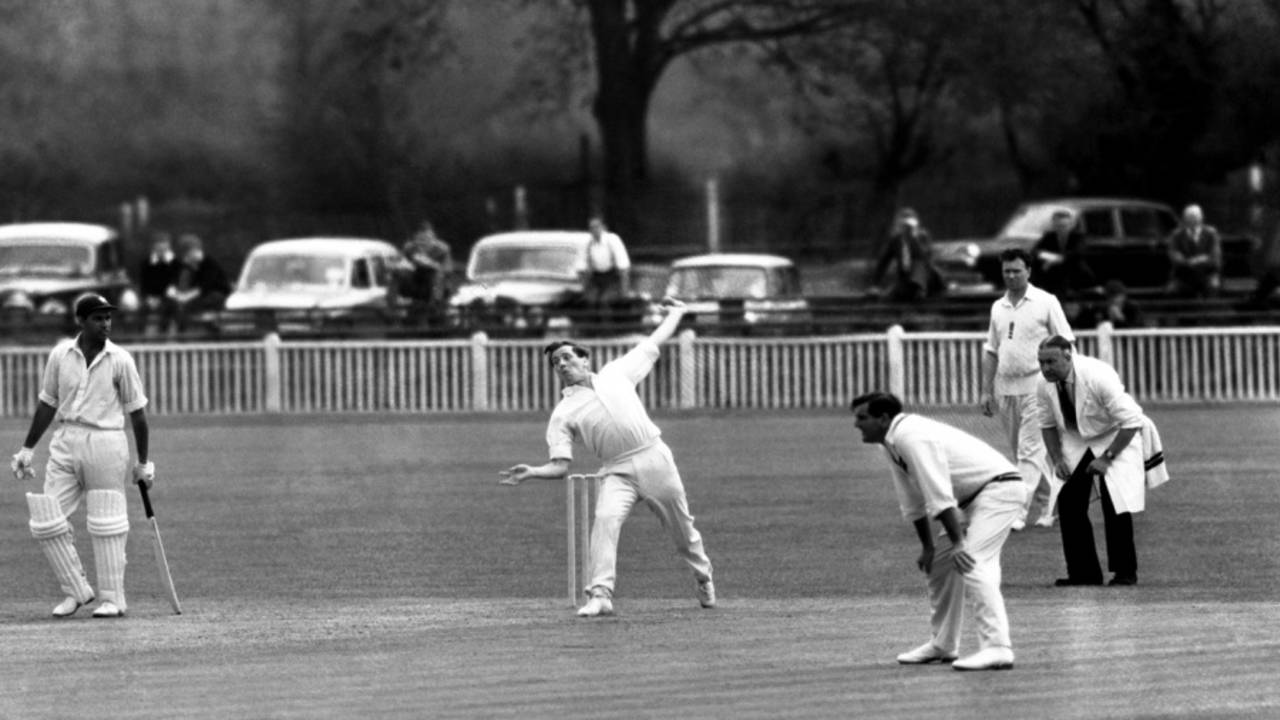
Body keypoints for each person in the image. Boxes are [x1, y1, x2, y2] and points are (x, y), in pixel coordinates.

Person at [499, 297, 715, 617]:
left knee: (683, 533)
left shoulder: (616, 373)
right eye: (556, 362)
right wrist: (532, 472)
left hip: (655, 458)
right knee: (605, 520)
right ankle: (600, 594)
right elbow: (561, 466)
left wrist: (678, 313)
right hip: (617, 471)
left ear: (585, 360)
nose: (561, 364)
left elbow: (653, 343)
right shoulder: (563, 413)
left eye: (567, 357)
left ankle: (703, 576)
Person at [851, 391, 1023, 671]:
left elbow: (938, 493)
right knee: (941, 564)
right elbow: (912, 500)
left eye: (862, 418)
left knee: (973, 561)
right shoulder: (890, 442)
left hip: (1000, 489)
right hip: (974, 498)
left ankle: (997, 648)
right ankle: (943, 645)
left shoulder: (910, 435)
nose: (857, 425)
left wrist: (959, 543)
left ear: (883, 418)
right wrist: (929, 546)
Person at [9, 293, 154, 618]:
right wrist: (27, 448)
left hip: (106, 440)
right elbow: (48, 402)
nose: (105, 323)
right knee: (46, 518)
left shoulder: (120, 360)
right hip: (65, 439)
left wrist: (143, 463)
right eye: (97, 318)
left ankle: (113, 599)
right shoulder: (61, 355)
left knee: (107, 519)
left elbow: (138, 414)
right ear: (81, 321)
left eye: (108, 317)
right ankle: (76, 591)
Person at [1036, 335, 1152, 587]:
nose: (1045, 368)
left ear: (1068, 355)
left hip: (1115, 434)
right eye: (1041, 362)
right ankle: (1084, 573)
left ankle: (1125, 572)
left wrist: (1107, 458)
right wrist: (1057, 459)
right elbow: (1046, 425)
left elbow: (1132, 421)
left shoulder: (1098, 375)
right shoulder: (1042, 383)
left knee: (1115, 501)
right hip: (1076, 439)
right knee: (1068, 501)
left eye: (1051, 362)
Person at [981, 248, 1074, 531]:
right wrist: (987, 391)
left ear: (1029, 271)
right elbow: (992, 351)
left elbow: (1066, 343)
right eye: (1006, 271)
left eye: (1016, 270)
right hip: (1007, 388)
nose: (1011, 276)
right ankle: (1052, 503)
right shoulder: (998, 307)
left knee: (1028, 452)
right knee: (1026, 454)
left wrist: (1067, 385)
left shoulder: (1046, 302)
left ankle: (1017, 512)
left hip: (1040, 386)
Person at [872, 207, 943, 301]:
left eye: (908, 227)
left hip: (925, 279)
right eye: (903, 226)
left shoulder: (922, 237)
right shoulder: (895, 241)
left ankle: (918, 290)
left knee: (919, 265)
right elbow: (883, 263)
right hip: (905, 280)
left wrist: (914, 240)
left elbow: (925, 258)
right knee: (891, 296)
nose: (906, 229)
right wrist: (875, 284)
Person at [169, 233, 231, 331]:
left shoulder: (209, 263)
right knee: (177, 306)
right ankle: (179, 333)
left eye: (195, 250)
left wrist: (186, 297)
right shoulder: (183, 265)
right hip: (195, 297)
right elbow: (175, 282)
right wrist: (175, 293)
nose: (187, 257)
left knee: (191, 305)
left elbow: (205, 286)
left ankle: (211, 326)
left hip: (215, 295)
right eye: (187, 254)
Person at [577, 216, 631, 326]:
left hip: (612, 277)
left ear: (603, 227)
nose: (594, 230)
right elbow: (581, 266)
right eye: (591, 227)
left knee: (605, 301)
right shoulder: (588, 243)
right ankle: (591, 331)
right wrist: (584, 287)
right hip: (596, 277)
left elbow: (623, 265)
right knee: (590, 301)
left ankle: (607, 331)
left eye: (597, 227)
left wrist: (625, 289)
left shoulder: (612, 240)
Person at [1033, 209, 1097, 298]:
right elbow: (1037, 252)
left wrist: (1056, 260)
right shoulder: (1048, 237)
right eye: (1058, 226)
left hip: (1075, 272)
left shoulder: (1079, 237)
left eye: (1064, 226)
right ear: (1054, 225)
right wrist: (1051, 258)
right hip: (1054, 274)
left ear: (1071, 225)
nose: (1061, 228)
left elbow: (1077, 253)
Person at [1167, 204, 1222, 298]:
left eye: (1195, 217)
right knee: (1172, 290)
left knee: (1213, 286)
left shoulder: (1211, 233)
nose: (1192, 220)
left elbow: (1215, 256)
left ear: (1201, 218)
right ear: (1184, 219)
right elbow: (1174, 255)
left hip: (1207, 274)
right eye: (1189, 217)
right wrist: (1188, 262)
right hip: (1183, 275)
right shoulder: (1176, 235)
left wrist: (1198, 260)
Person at [401, 221, 454, 309]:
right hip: (415, 278)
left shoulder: (442, 249)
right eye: (419, 240)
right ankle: (392, 310)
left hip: (436, 280)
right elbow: (402, 263)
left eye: (426, 239)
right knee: (397, 274)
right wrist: (408, 265)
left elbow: (448, 269)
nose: (423, 243)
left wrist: (432, 264)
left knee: (436, 276)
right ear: (415, 238)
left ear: (433, 238)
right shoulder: (409, 248)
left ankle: (432, 308)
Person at [138, 231, 179, 336]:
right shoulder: (146, 263)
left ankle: (164, 334)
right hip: (150, 297)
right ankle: (139, 336)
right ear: (154, 247)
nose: (161, 248)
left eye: (164, 244)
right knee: (141, 309)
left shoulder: (175, 263)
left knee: (170, 307)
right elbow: (143, 284)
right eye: (158, 244)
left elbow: (175, 283)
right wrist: (149, 298)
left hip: (168, 298)